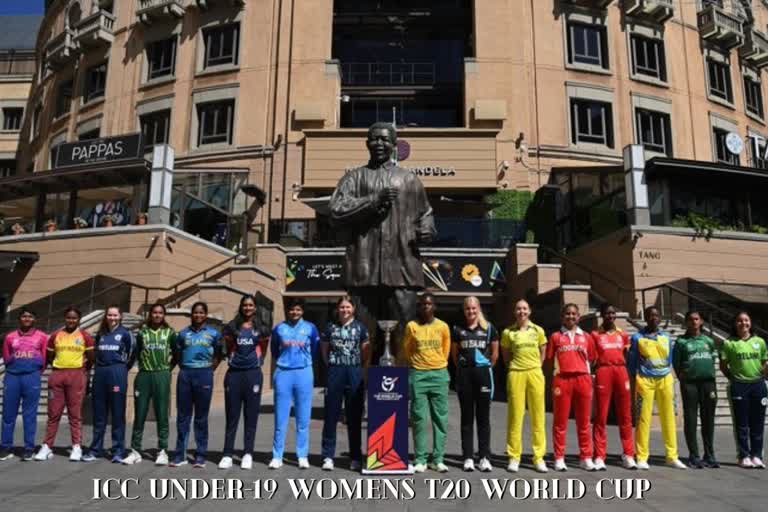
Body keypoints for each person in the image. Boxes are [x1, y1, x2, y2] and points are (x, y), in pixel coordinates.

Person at [329, 122, 436, 363]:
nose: (379, 143)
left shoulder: (409, 180)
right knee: (362, 337)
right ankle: (360, 393)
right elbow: (336, 210)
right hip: (363, 270)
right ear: (367, 143)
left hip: (402, 269)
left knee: (404, 335)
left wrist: (427, 228)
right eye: (374, 139)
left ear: (394, 145)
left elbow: (426, 213)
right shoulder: (354, 178)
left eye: (384, 140)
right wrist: (373, 200)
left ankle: (400, 395)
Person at [628, 306, 687, 470]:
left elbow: (669, 360)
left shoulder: (666, 338)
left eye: (656, 315)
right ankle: (641, 457)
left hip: (665, 380)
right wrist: (634, 384)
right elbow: (632, 365)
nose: (654, 318)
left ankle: (672, 456)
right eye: (650, 315)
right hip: (645, 381)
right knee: (643, 419)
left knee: (669, 418)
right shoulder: (637, 338)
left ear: (660, 318)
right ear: (645, 318)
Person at [35, 307, 94, 462]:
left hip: (76, 375)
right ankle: (47, 446)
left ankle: (76, 447)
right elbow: (48, 356)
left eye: (74, 318)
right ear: (65, 318)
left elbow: (91, 358)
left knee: (75, 415)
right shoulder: (55, 335)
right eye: (68, 317)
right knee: (53, 414)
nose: (71, 320)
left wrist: (82, 372)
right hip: (57, 375)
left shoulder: (85, 336)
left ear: (79, 319)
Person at [218, 295, 270, 470]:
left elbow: (263, 350)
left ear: (255, 308)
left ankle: (248, 453)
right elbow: (226, 347)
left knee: (251, 416)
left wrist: (255, 362)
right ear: (241, 307)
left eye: (250, 305)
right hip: (234, 375)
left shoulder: (262, 329)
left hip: (253, 375)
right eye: (245, 305)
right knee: (232, 416)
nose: (248, 308)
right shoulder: (232, 327)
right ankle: (227, 454)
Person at [269, 298, 320, 469]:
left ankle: (302, 455)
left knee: (303, 417)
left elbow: (314, 349)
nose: (295, 312)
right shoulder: (279, 328)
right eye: (292, 310)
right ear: (287, 311)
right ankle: (277, 455)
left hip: (304, 372)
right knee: (280, 416)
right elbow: (274, 350)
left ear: (302, 311)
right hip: (283, 373)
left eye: (298, 309)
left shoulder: (311, 328)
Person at [320, 296, 370, 471]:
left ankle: (355, 456)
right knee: (331, 416)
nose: (345, 310)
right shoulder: (330, 328)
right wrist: (333, 364)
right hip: (335, 371)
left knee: (354, 417)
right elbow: (324, 351)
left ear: (353, 309)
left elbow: (365, 353)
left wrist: (357, 368)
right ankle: (327, 456)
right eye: (342, 307)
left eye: (348, 307)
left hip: (354, 372)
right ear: (338, 309)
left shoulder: (361, 328)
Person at [403, 293, 451, 473]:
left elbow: (446, 350)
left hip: (439, 374)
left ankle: (438, 458)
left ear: (435, 306)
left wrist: (436, 364)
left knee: (440, 419)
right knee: (419, 419)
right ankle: (420, 459)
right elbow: (407, 349)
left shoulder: (443, 327)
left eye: (429, 304)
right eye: (423, 304)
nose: (426, 307)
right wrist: (418, 364)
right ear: (419, 306)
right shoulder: (412, 326)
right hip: (418, 375)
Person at [122, 304, 175, 466]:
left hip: (162, 375)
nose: (157, 315)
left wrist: (166, 370)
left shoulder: (170, 333)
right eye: (155, 312)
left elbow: (177, 354)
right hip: (144, 375)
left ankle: (163, 450)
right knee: (140, 414)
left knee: (161, 414)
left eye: (160, 313)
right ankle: (136, 450)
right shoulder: (143, 333)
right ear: (150, 314)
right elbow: (137, 353)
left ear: (164, 315)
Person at [546, 303, 597, 472]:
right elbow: (549, 360)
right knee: (560, 422)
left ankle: (586, 457)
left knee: (584, 421)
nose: (570, 316)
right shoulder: (555, 337)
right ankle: (559, 457)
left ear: (578, 316)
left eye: (574, 314)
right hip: (562, 380)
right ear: (562, 316)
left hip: (583, 379)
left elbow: (592, 358)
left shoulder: (587, 337)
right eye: (567, 314)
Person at [171, 302, 222, 468]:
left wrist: (209, 369)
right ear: (191, 315)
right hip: (186, 375)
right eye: (195, 313)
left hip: (204, 374)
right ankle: (180, 454)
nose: (198, 315)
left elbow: (219, 354)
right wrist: (186, 368)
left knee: (201, 417)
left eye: (201, 313)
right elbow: (177, 353)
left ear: (205, 315)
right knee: (183, 416)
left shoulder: (213, 333)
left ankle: (200, 455)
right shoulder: (183, 334)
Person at [450, 296, 498, 472]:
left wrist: (483, 368)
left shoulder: (489, 328)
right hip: (465, 376)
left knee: (484, 418)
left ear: (479, 309)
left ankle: (484, 457)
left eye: (474, 308)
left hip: (483, 375)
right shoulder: (457, 329)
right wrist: (465, 369)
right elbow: (454, 355)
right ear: (464, 311)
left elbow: (495, 354)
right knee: (467, 418)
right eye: (468, 309)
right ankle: (468, 457)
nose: (471, 311)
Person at [501, 299, 548, 473]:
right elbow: (506, 356)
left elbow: (543, 352)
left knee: (538, 416)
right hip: (516, 374)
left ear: (530, 311)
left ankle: (539, 457)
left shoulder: (538, 331)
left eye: (525, 309)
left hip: (534, 373)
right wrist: (515, 367)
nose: (522, 311)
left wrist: (536, 366)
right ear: (515, 312)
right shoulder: (508, 332)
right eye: (518, 309)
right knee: (515, 416)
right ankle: (514, 457)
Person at [83, 306, 135, 463]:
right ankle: (95, 449)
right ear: (106, 317)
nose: (112, 317)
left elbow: (132, 354)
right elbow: (96, 354)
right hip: (101, 373)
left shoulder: (126, 334)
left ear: (120, 316)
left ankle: (118, 450)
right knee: (99, 415)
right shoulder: (101, 334)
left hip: (117, 372)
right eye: (110, 315)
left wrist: (122, 369)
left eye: (115, 315)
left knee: (117, 414)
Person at [719, 311, 768, 469]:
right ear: (735, 324)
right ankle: (743, 456)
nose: (743, 323)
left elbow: (765, 361)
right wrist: (734, 378)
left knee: (758, 423)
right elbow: (723, 366)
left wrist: (761, 374)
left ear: (750, 323)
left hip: (758, 385)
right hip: (739, 386)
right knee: (741, 424)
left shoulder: (759, 342)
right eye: (740, 320)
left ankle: (757, 456)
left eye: (746, 320)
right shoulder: (729, 343)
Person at [591, 303, 636, 470]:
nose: (610, 316)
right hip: (603, 371)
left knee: (625, 415)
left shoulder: (623, 335)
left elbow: (626, 355)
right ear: (602, 315)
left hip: (620, 372)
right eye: (607, 313)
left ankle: (628, 454)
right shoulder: (595, 335)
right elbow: (592, 357)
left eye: (612, 313)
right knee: (601, 415)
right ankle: (600, 456)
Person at [0, 308, 48, 461]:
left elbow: (45, 359)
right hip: (13, 377)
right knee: (8, 415)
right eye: (24, 316)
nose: (27, 318)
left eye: (30, 316)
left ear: (34, 319)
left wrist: (34, 373)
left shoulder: (42, 337)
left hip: (31, 378)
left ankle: (29, 448)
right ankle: (6, 447)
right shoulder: (10, 337)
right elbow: (7, 358)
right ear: (20, 318)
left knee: (29, 415)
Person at [673, 310, 719, 469]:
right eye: (690, 319)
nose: (694, 322)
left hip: (708, 384)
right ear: (686, 322)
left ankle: (710, 454)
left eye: (696, 319)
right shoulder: (681, 342)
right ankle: (694, 455)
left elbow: (713, 359)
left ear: (701, 321)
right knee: (691, 420)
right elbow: (676, 363)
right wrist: (683, 377)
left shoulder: (709, 341)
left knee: (708, 420)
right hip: (690, 384)